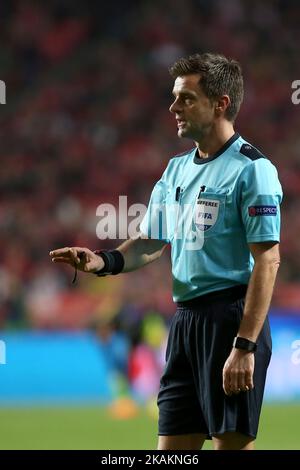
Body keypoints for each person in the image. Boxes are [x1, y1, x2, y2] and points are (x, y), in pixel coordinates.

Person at [49, 53, 282, 450]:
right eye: (175, 98)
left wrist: (244, 345)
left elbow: (268, 259)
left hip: (230, 320)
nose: (174, 107)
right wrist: (102, 261)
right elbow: (151, 242)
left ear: (220, 103)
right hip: (185, 323)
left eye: (186, 98)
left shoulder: (252, 169)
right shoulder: (175, 171)